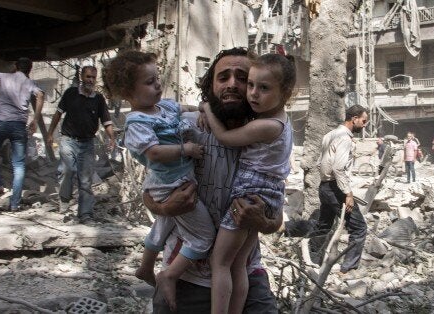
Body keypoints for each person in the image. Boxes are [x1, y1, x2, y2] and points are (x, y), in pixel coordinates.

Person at [142, 47, 281, 313]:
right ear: (211, 85)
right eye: (223, 77)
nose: (232, 84)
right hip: (185, 275)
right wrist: (164, 208)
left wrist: (263, 221)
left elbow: (277, 218)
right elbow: (150, 192)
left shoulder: (268, 136)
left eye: (242, 78)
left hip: (244, 274)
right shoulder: (185, 126)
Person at [102, 50, 214, 310]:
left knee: (164, 225)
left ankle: (145, 267)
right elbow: (153, 152)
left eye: (157, 79)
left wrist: (203, 108)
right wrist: (185, 150)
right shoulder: (137, 121)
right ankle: (170, 275)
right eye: (149, 82)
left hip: (173, 180)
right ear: (129, 93)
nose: (158, 85)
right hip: (169, 184)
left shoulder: (163, 107)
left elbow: (185, 107)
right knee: (203, 236)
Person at [203, 53, 294, 313]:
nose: (253, 93)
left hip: (249, 194)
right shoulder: (278, 122)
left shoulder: (264, 125)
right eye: (251, 85)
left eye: (262, 87)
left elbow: (225, 137)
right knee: (237, 264)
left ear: (285, 92)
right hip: (266, 192)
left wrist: (207, 108)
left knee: (220, 262)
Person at [47, 65, 115, 223]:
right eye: (88, 77)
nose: (90, 80)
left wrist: (111, 137)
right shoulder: (71, 93)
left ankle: (85, 214)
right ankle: (64, 200)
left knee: (85, 180)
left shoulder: (98, 99)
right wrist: (50, 133)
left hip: (87, 144)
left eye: (93, 77)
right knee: (68, 170)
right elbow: (58, 113)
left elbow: (106, 121)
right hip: (68, 140)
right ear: (82, 77)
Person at [0, 57, 44, 211]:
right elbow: (41, 96)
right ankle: (15, 203)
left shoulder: (2, 76)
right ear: (29, 69)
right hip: (19, 125)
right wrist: (35, 120)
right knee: (18, 165)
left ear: (15, 66)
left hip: (0, 122)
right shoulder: (30, 83)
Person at [315, 104, 369, 274]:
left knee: (323, 226)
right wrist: (348, 193)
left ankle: (312, 260)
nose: (365, 124)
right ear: (354, 119)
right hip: (335, 188)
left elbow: (319, 162)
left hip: (324, 186)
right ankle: (349, 268)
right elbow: (339, 168)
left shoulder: (330, 135)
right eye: (364, 121)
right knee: (359, 227)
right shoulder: (345, 139)